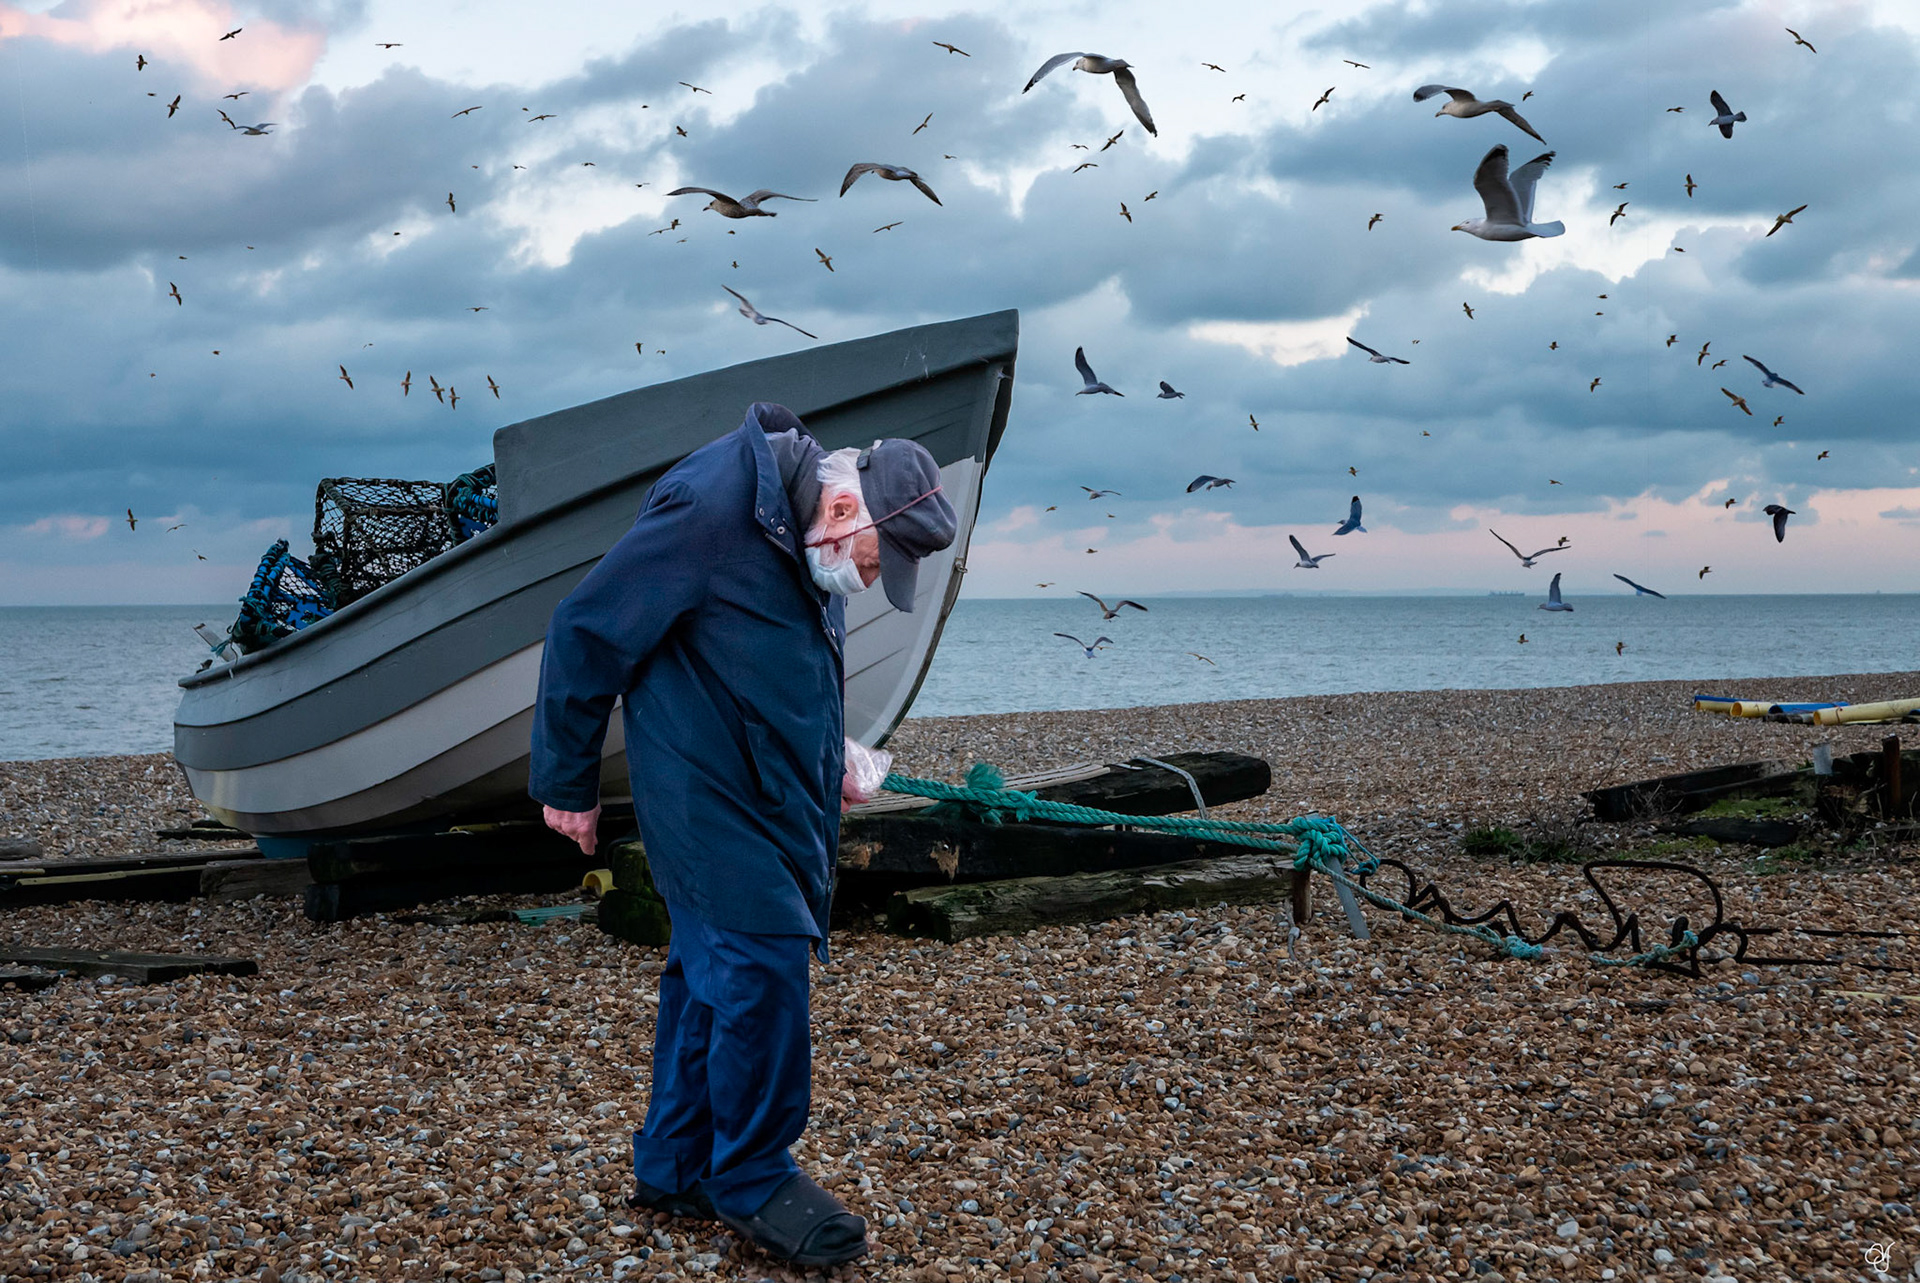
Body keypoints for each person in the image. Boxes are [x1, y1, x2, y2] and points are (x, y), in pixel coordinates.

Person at [528, 400, 957, 1268]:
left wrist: (831, 757)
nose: (868, 580)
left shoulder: (808, 523)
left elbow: (778, 661)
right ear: (846, 508)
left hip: (758, 779)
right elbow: (587, 627)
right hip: (700, 787)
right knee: (761, 964)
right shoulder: (711, 506)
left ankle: (676, 1163)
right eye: (875, 561)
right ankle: (755, 1177)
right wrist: (566, 781)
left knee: (706, 976)